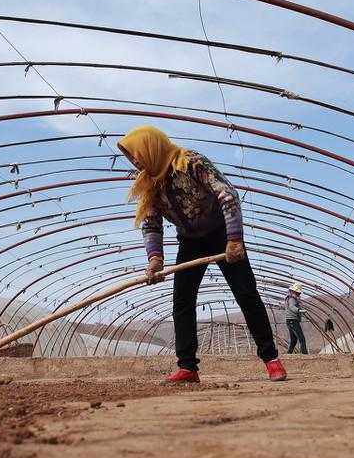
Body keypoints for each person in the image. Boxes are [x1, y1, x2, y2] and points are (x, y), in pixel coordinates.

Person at [118, 125, 287, 384]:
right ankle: (188, 368)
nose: (135, 161)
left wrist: (234, 240)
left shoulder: (190, 162)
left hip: (222, 234)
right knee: (182, 301)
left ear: (150, 147)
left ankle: (271, 359)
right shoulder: (149, 184)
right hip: (191, 242)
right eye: (131, 157)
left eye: (136, 154)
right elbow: (151, 223)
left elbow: (227, 194)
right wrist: (155, 259)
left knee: (246, 293)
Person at [284, 282, 308, 355]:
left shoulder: (291, 298)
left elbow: (296, 307)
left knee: (294, 340)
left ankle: (288, 354)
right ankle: (304, 355)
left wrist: (301, 310)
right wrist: (299, 310)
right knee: (302, 339)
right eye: (298, 293)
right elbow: (292, 307)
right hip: (293, 321)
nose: (298, 295)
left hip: (290, 321)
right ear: (294, 291)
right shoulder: (292, 299)